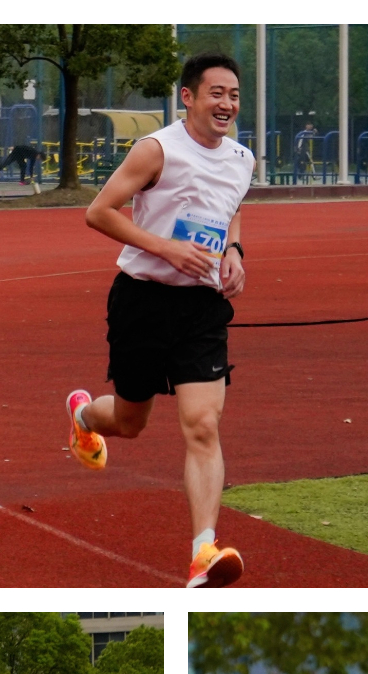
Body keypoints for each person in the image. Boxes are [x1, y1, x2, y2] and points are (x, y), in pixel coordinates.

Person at [68, 51, 255, 588]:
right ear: (188, 98)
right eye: (216, 93)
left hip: (202, 306)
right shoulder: (157, 150)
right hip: (142, 300)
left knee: (203, 425)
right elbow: (98, 212)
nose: (227, 104)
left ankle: (203, 551)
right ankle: (84, 417)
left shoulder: (242, 158)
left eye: (234, 95)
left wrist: (235, 252)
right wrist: (166, 248)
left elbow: (232, 206)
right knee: (130, 422)